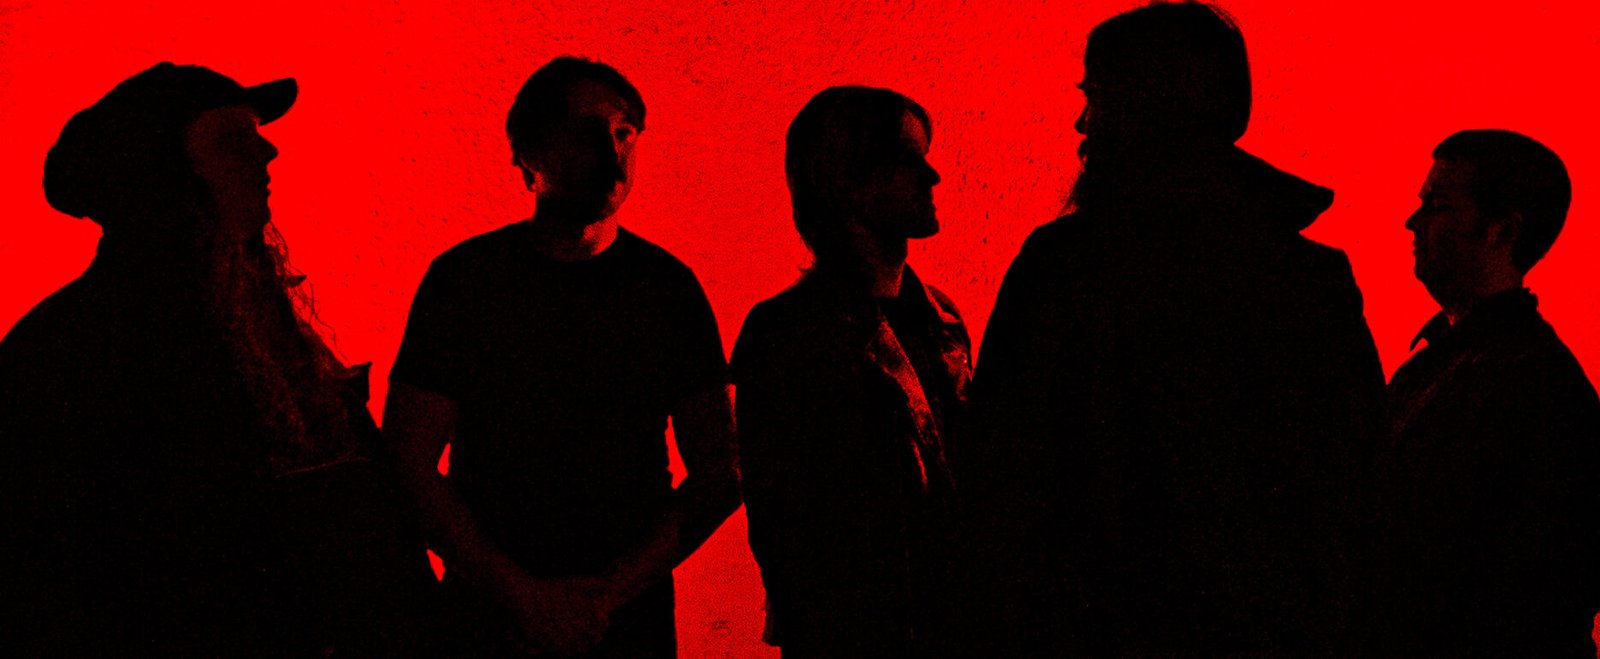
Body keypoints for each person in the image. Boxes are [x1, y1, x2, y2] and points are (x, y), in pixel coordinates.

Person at [961, 3, 1385, 655]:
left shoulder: (1064, 268)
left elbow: (1001, 482)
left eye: (1095, 97)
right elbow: (1357, 490)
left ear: (1143, 103)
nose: (1081, 122)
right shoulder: (1311, 276)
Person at [0, 62, 433, 656]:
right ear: (162, 175)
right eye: (231, 139)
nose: (268, 151)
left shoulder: (255, 323)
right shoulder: (65, 351)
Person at [382, 56, 739, 657]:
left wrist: (603, 595)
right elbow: (406, 459)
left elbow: (722, 472)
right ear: (528, 153)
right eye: (584, 132)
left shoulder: (667, 290)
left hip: (621, 622)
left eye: (624, 132)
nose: (612, 152)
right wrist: (527, 597)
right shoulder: (465, 282)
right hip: (496, 623)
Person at [731, 85, 967, 658]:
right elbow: (784, 530)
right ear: (848, 179)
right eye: (909, 160)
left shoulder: (942, 320)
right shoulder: (786, 333)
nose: (932, 177)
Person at [1369, 129, 1600, 656]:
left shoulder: (1537, 390)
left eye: (1438, 205)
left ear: (1502, 230)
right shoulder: (1488, 370)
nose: (1412, 222)